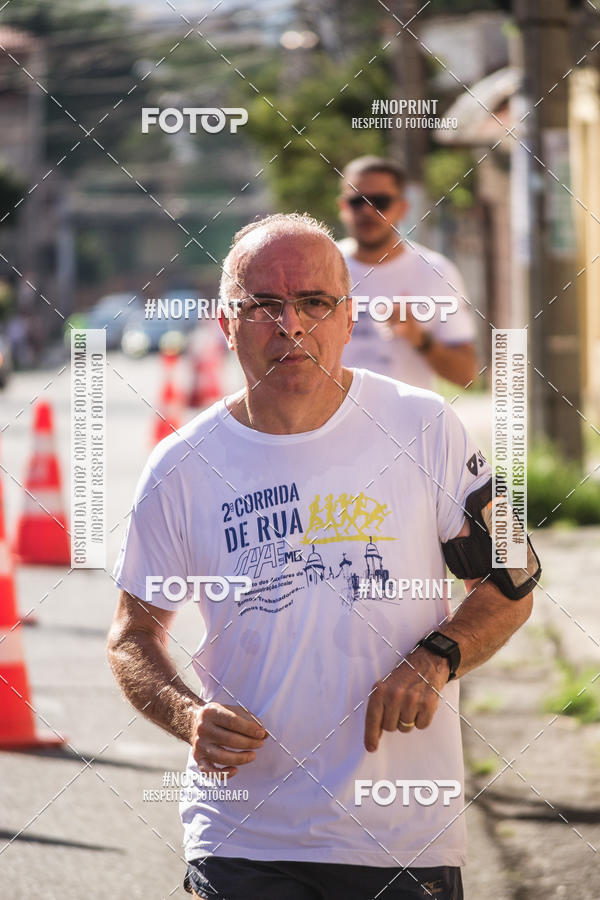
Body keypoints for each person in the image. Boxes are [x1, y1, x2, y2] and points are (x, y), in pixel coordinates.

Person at [108, 213, 540, 900]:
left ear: (348, 317)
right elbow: (133, 637)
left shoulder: (422, 426)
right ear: (226, 322)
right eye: (264, 306)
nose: (291, 327)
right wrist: (187, 716)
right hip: (242, 835)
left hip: (401, 836)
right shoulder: (181, 466)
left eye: (314, 303)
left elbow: (513, 579)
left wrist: (438, 655)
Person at [338, 156, 478, 390]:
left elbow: (468, 375)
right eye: (357, 201)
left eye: (380, 201)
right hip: (333, 424)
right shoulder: (319, 267)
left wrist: (420, 339)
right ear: (343, 207)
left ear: (402, 208)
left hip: (407, 425)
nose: (368, 211)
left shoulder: (436, 271)